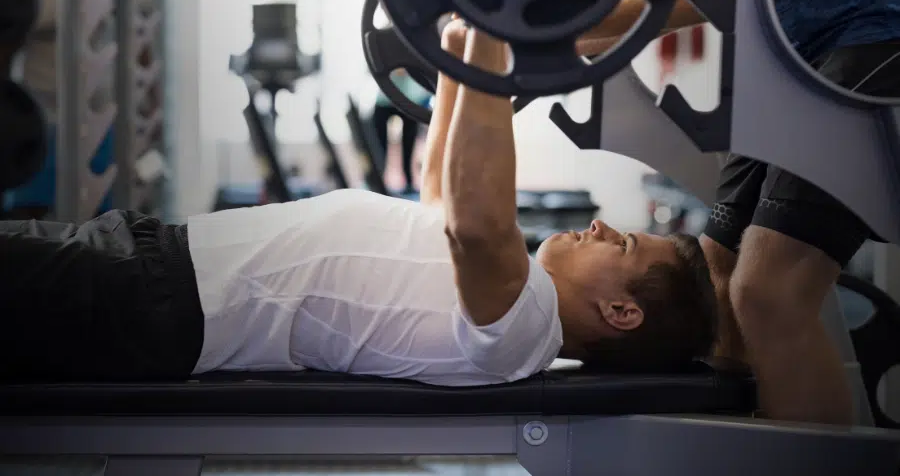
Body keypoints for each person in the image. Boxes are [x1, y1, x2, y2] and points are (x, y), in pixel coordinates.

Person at [0, 21, 717, 385]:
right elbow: (444, 192)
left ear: (621, 313)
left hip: (155, 298)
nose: (599, 227)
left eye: (618, 244)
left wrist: (495, 46)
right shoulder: (510, 303)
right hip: (154, 263)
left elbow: (477, 223)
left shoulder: (524, 330)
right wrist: (462, 50)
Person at [578, 0, 900, 425]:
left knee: (769, 292)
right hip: (791, 54)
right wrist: (536, 44)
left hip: (873, 32)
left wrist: (593, 26)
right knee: (715, 281)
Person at [369, 73, 429, 193]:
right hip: (384, 100)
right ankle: (379, 185)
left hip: (410, 98)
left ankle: (409, 183)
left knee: (408, 145)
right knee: (379, 149)